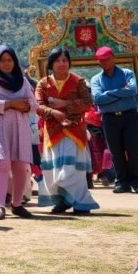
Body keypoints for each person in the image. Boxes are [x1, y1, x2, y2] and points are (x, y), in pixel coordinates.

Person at [35, 47, 98, 214]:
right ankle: (62, 201)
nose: (62, 64)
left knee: (72, 169)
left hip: (74, 130)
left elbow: (87, 103)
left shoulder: (79, 81)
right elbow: (38, 106)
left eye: (64, 60)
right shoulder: (43, 83)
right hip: (53, 131)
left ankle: (80, 202)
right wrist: (53, 112)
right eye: (57, 61)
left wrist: (63, 104)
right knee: (53, 170)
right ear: (51, 64)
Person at [0, 45, 37, 220]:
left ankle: (17, 204)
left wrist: (25, 105)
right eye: (2, 60)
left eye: (9, 60)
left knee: (20, 165)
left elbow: (33, 104)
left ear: (14, 61)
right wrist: (12, 104)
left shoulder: (22, 80)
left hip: (19, 127)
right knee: (2, 164)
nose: (6, 64)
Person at [92, 46, 138, 194]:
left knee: (133, 149)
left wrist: (108, 94)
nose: (105, 63)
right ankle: (122, 182)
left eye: (107, 59)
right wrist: (120, 92)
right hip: (109, 119)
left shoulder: (127, 73)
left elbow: (133, 90)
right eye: (101, 61)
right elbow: (97, 99)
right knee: (116, 151)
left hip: (129, 116)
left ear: (113, 58)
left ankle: (136, 181)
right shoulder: (96, 79)